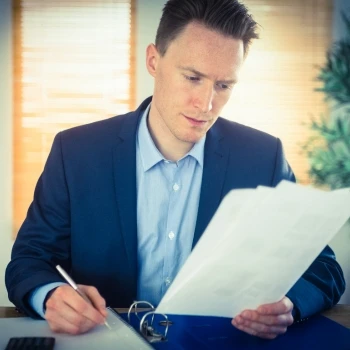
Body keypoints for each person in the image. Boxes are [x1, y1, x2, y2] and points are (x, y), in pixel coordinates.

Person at [6, 0, 345, 339]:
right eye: (193, 77)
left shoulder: (263, 157)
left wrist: (289, 304)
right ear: (154, 61)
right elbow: (28, 260)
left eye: (224, 85)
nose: (206, 103)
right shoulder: (76, 152)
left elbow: (323, 269)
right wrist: (49, 295)